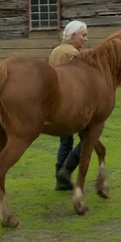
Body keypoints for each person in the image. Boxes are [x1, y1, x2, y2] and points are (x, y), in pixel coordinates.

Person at [48, 20, 88, 191]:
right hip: (72, 104)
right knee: (88, 139)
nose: (86, 39)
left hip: (55, 103)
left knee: (65, 141)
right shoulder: (75, 55)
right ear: (74, 36)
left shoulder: (55, 51)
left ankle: (61, 179)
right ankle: (66, 170)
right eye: (83, 35)